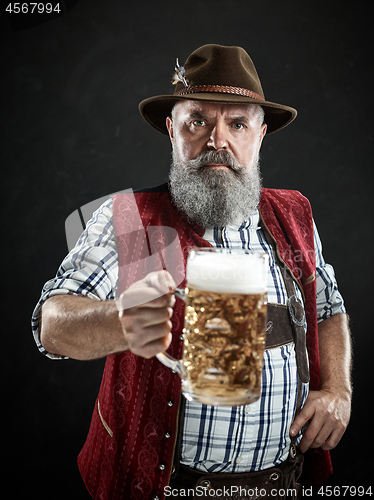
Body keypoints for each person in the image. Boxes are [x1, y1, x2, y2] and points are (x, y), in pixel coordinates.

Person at [32, 44, 352, 500]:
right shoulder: (131, 218)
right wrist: (119, 321)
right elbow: (52, 324)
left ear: (260, 135)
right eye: (198, 121)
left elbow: (329, 308)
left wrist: (338, 388)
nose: (217, 141)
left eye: (237, 123)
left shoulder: (294, 213)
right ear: (172, 130)